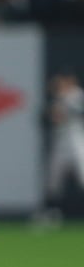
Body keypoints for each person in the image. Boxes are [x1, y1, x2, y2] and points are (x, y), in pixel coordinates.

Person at [41, 72, 84, 221]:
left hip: (76, 140)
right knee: (53, 180)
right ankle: (52, 213)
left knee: (83, 176)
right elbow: (51, 116)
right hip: (61, 141)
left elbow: (73, 112)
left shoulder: (77, 94)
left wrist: (61, 98)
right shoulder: (58, 98)